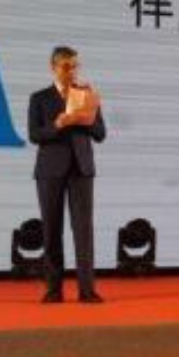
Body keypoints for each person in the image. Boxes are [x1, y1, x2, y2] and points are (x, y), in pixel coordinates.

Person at [27, 46, 106, 303]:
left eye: (75, 66)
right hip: (50, 171)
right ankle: (53, 289)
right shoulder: (39, 98)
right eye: (66, 66)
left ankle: (87, 290)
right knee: (52, 229)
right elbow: (34, 135)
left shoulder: (86, 95)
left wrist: (86, 117)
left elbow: (101, 134)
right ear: (53, 67)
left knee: (84, 231)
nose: (72, 71)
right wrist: (58, 124)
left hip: (81, 169)